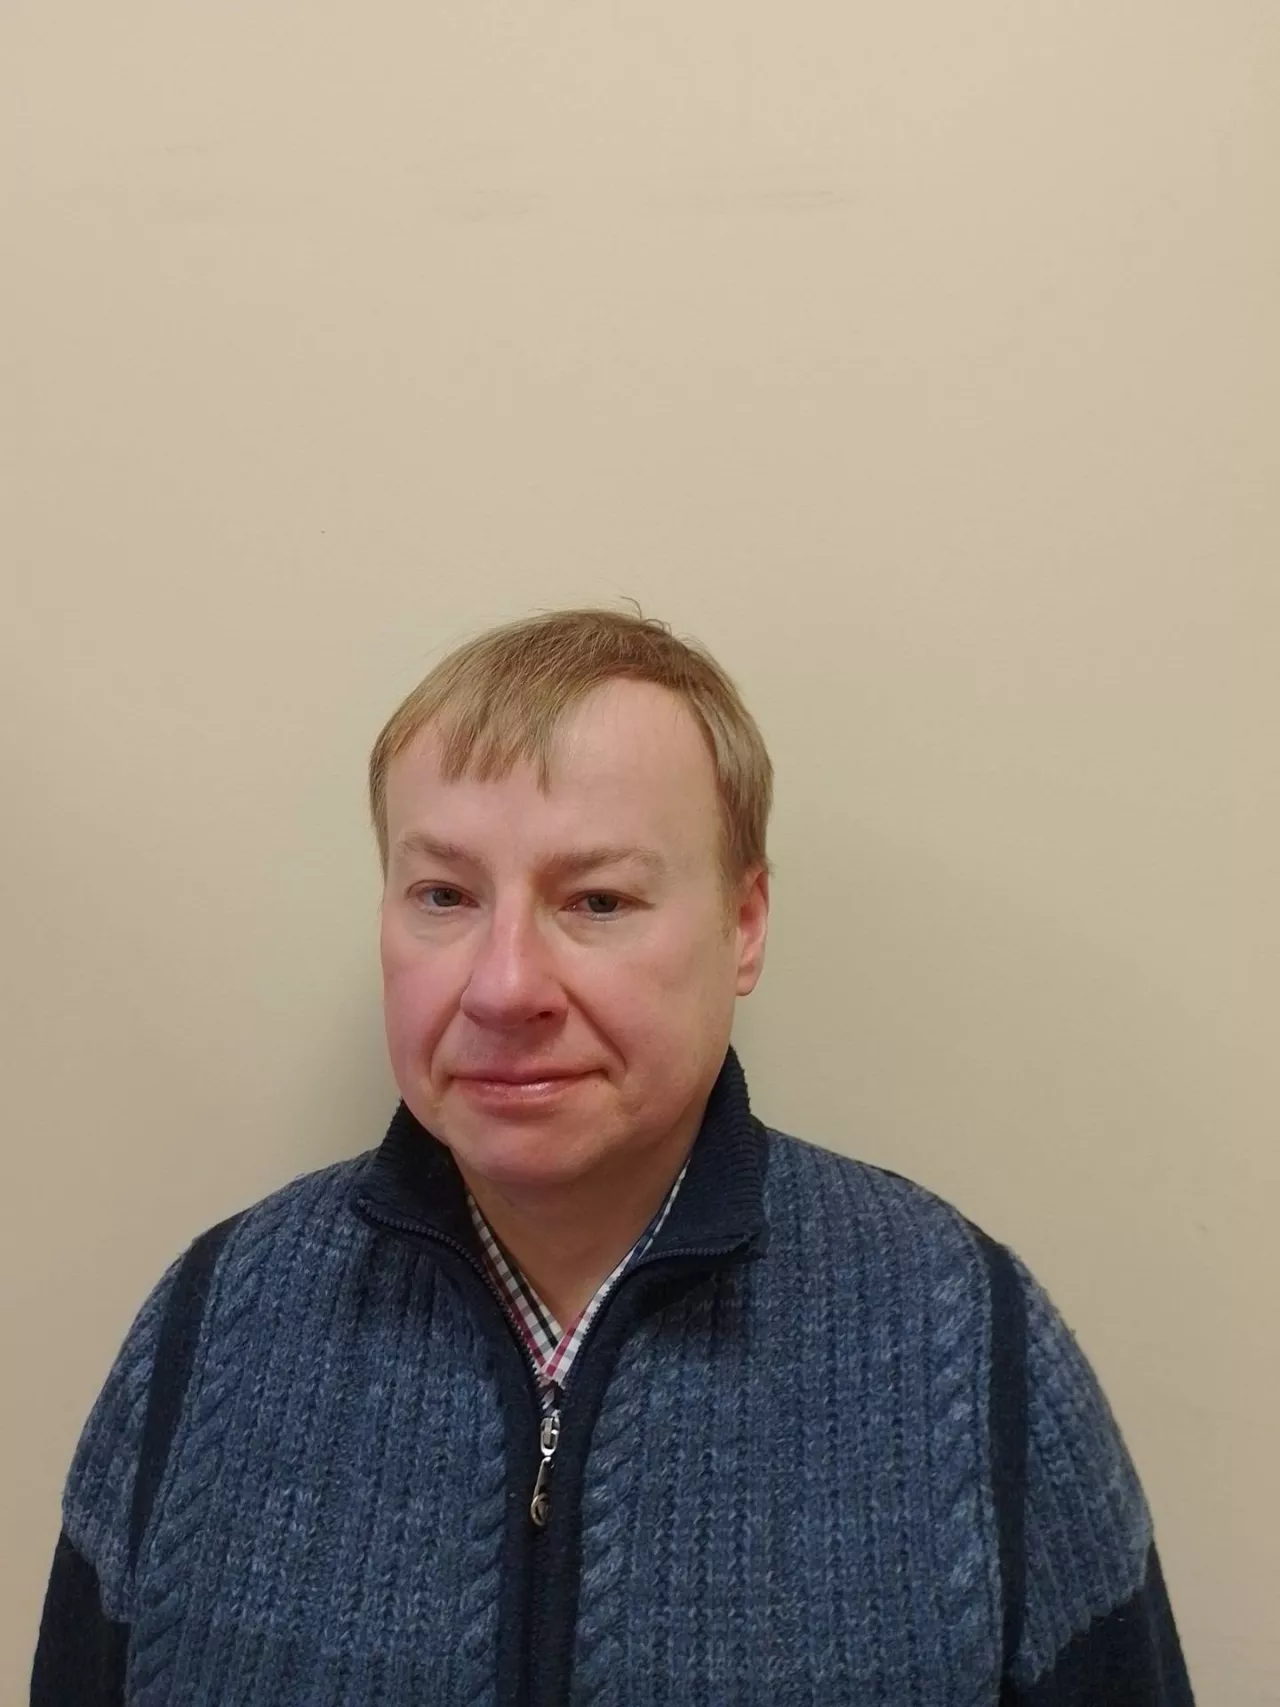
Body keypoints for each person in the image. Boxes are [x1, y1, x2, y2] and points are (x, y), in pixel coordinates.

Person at [32, 606, 1194, 1705]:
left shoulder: (964, 1338)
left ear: (744, 925)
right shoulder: (211, 1330)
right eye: (443, 895)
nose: (503, 987)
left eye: (595, 901)